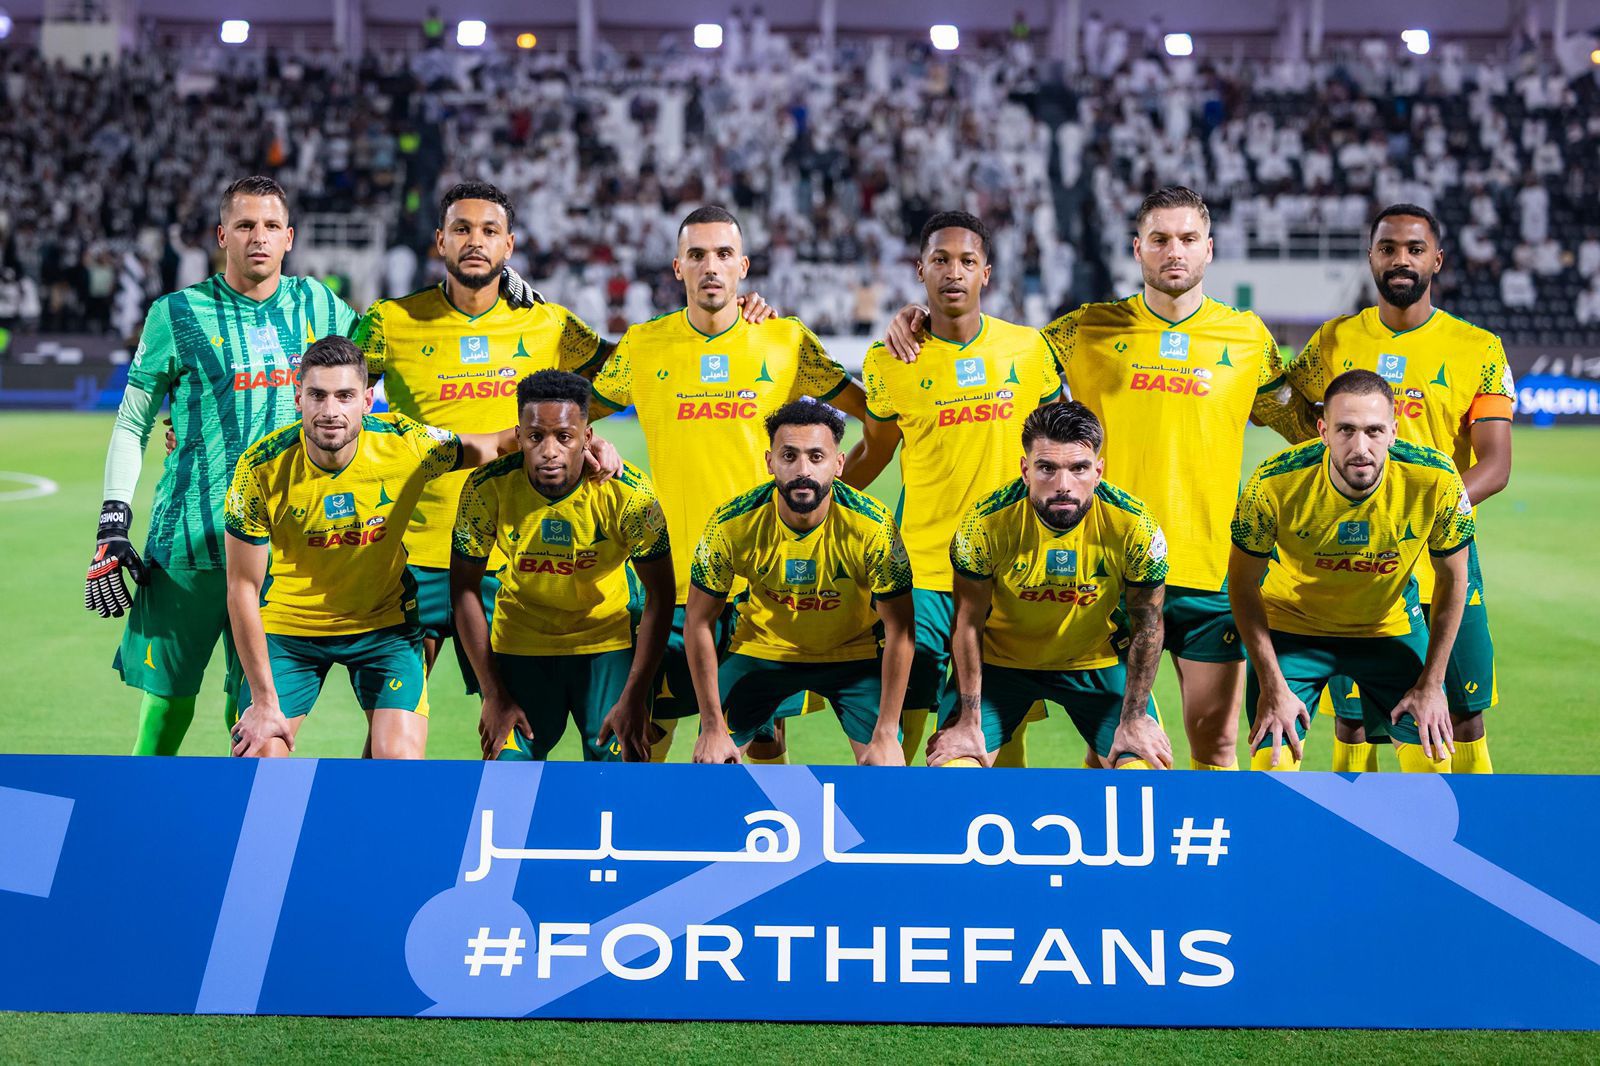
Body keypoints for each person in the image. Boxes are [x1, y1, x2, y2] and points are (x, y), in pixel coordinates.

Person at [885, 186, 1308, 771]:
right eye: (1160, 239)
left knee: (1216, 745)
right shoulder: (1085, 328)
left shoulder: (1249, 337)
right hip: (1107, 567)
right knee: (1111, 743)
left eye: (1188, 239)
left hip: (1210, 568)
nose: (1174, 251)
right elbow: (995, 350)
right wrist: (922, 319)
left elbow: (1300, 426)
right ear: (1137, 248)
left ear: (1209, 249)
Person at [589, 205, 874, 762]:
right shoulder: (644, 344)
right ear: (678, 267)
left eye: (723, 254)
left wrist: (833, 494)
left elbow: (875, 416)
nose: (710, 266)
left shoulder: (784, 339)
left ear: (743, 266)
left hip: (761, 587)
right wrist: (593, 443)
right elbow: (571, 419)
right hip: (672, 584)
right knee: (643, 743)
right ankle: (632, 824)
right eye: (697, 255)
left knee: (762, 745)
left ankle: (766, 824)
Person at [85, 176, 358, 755]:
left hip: (282, 547)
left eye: (270, 226)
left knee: (258, 713)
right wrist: (113, 520)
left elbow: (377, 372)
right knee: (166, 705)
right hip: (187, 542)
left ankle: (239, 812)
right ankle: (142, 804)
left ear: (289, 237)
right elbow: (132, 422)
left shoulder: (322, 305)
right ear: (221, 235)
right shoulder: (176, 314)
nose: (258, 237)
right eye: (244, 225)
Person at [355, 182, 623, 693]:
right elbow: (335, 397)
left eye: (489, 231)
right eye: (461, 229)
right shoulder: (389, 321)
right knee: (391, 728)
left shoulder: (548, 322)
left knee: (514, 723)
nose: (475, 240)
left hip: (511, 555)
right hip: (411, 554)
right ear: (440, 240)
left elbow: (628, 369)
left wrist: (575, 435)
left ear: (509, 245)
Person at [1285, 204, 1513, 774]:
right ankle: (1353, 825)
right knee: (1355, 719)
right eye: (1387, 248)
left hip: (1441, 556)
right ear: (1371, 258)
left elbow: (1495, 464)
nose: (1401, 260)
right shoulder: (1334, 339)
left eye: (1415, 249)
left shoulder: (1479, 348)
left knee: (1461, 713)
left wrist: (1425, 517)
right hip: (1354, 558)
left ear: (1437, 259)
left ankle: (1471, 823)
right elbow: (1295, 412)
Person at [225, 337, 513, 759]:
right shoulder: (259, 469)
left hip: (384, 627)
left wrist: (577, 442)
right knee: (260, 760)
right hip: (290, 631)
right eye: (317, 395)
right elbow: (242, 588)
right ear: (298, 398)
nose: (330, 411)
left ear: (367, 400)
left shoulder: (405, 443)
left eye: (344, 396)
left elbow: (495, 445)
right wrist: (265, 701)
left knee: (397, 765)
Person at [856, 211, 1065, 765]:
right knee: (894, 735)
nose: (954, 272)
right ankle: (890, 823)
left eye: (967, 261)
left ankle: (1001, 823)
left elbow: (1062, 451)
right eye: (941, 260)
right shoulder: (888, 361)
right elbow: (874, 451)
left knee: (1001, 735)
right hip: (921, 573)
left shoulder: (1028, 349)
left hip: (1009, 570)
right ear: (920, 269)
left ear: (986, 273)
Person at [1228, 370, 1472, 772]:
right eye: (1346, 430)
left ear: (1393, 432)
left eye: (1374, 431)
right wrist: (1272, 684)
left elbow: (1453, 578)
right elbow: (1241, 582)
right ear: (1323, 431)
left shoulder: (1437, 479)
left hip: (1388, 627)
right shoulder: (1272, 482)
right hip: (1293, 630)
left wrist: (1431, 685)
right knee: (1274, 765)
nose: (1361, 447)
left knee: (1432, 765)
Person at [927, 401, 1171, 770]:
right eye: (1047, 468)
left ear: (1098, 471)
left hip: (1097, 661)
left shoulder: (1135, 526)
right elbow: (967, 622)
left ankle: (1097, 765)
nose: (1063, 486)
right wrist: (968, 721)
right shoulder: (985, 524)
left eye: (1079, 468)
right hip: (1000, 665)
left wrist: (1134, 718)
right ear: (1025, 470)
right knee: (953, 769)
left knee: (1144, 770)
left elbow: (1148, 624)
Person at [450, 370, 674, 762]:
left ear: (587, 437)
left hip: (607, 642)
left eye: (564, 437)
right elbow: (464, 589)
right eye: (536, 437)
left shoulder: (630, 495)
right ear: (518, 436)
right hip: (521, 642)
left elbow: (661, 593)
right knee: (506, 767)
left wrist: (635, 696)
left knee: (620, 767)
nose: (549, 450)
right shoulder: (485, 488)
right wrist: (494, 694)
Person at [686, 401, 914, 766]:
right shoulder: (731, 524)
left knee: (886, 768)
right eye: (789, 456)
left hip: (852, 652)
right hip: (762, 649)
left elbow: (900, 630)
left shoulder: (874, 526)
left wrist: (886, 732)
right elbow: (698, 621)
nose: (803, 470)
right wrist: (712, 726)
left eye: (816, 457)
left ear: (838, 464)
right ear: (770, 461)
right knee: (712, 766)